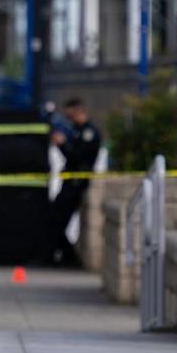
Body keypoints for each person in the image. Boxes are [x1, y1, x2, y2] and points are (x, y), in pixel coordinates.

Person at [49, 97, 102, 265]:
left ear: (79, 111)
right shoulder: (76, 130)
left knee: (57, 219)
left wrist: (62, 144)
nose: (69, 120)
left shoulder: (89, 133)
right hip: (70, 181)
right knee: (54, 218)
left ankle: (70, 258)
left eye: (70, 116)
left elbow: (77, 157)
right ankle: (67, 256)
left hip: (77, 183)